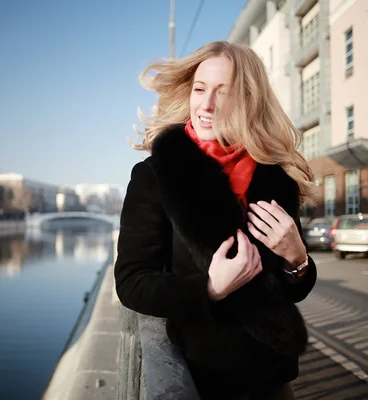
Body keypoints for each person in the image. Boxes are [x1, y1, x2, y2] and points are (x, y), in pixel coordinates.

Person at [114, 41, 318, 399]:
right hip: (201, 376)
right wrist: (209, 288)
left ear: (247, 101)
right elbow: (131, 282)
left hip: (273, 381)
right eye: (200, 89)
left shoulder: (275, 177)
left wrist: (297, 258)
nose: (206, 105)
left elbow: (290, 290)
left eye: (222, 93)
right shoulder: (156, 176)